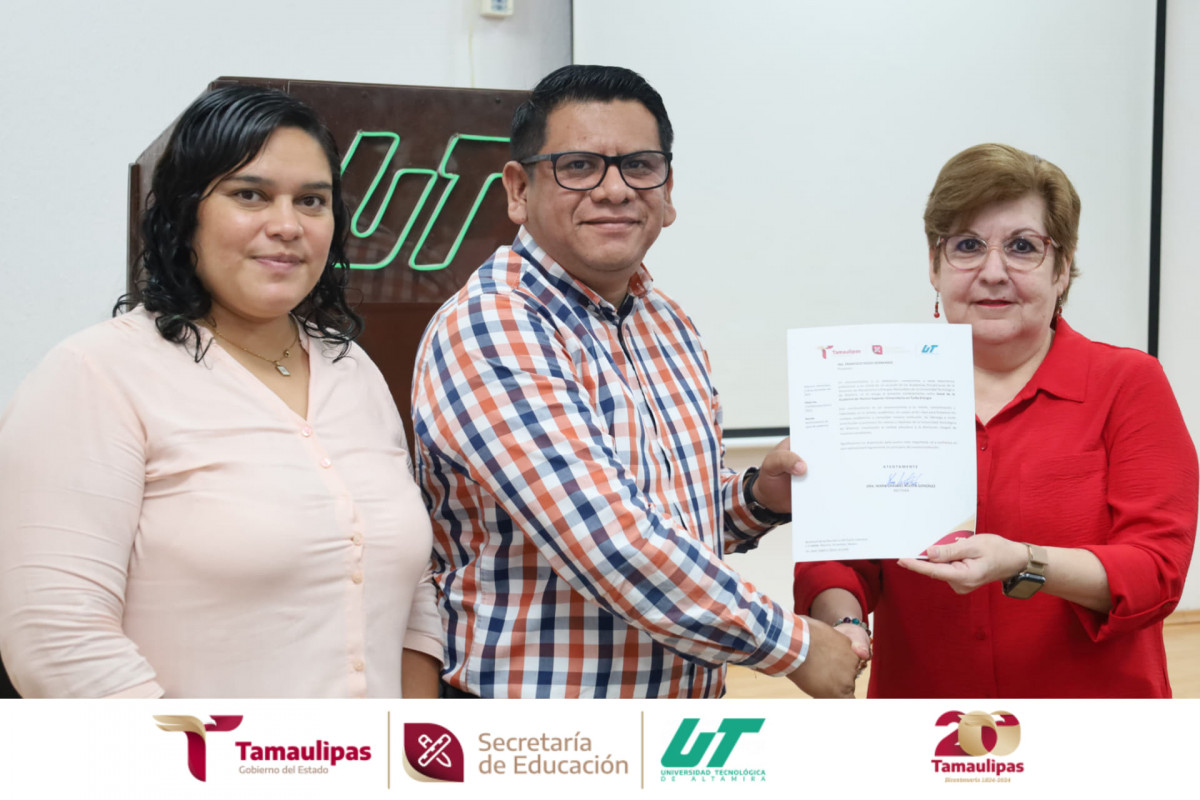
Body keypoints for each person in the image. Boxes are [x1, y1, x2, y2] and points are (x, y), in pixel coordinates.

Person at [410, 64, 864, 699]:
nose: (615, 190)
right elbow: (610, 542)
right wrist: (794, 647)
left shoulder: (666, 322)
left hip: (682, 725)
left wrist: (759, 497)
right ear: (518, 189)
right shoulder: (492, 325)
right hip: (543, 734)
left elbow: (672, 520)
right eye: (578, 167)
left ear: (668, 190)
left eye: (639, 166)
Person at [0, 85, 442, 698]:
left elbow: (413, 603)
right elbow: (56, 640)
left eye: (311, 201)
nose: (286, 226)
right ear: (187, 214)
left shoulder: (353, 370)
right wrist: (210, 756)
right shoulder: (95, 374)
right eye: (250, 195)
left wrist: (404, 748)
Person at [794, 143, 1198, 698]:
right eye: (967, 246)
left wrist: (1025, 562)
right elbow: (840, 556)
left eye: (1022, 247)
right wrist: (844, 623)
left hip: (1094, 722)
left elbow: (1156, 570)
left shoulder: (1128, 383)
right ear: (934, 265)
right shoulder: (878, 382)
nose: (992, 272)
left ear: (1062, 268)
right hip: (928, 721)